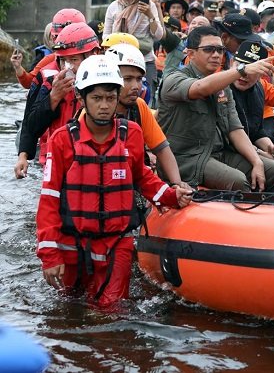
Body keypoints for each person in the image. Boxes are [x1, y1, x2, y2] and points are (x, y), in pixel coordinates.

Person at [35, 55, 192, 310]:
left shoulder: (131, 134)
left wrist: (171, 196)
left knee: (110, 311)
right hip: (71, 243)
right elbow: (49, 199)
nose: (105, 106)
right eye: (97, 98)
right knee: (68, 309)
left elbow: (143, 177)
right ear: (81, 98)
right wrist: (49, 255)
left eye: (110, 98)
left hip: (116, 242)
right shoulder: (62, 140)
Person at [157, 26, 274, 192]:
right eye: (209, 49)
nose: (216, 55)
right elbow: (200, 88)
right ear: (191, 54)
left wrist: (257, 161)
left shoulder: (223, 86)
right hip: (187, 158)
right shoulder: (173, 79)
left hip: (218, 153)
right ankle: (245, 217)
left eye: (220, 50)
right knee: (237, 181)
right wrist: (242, 70)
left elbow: (235, 128)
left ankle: (266, 216)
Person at [15, 23, 101, 179]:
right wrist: (53, 97)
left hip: (94, 164)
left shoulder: (108, 83)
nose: (67, 67)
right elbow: (31, 124)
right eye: (63, 61)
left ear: (93, 55)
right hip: (58, 162)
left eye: (74, 59)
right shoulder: (49, 80)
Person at [104, 43, 183, 184]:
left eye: (139, 79)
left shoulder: (139, 106)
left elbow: (162, 148)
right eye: (127, 79)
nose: (136, 86)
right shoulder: (91, 112)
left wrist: (178, 184)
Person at [103, 0, 164, 98]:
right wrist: (123, 41)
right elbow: (105, 37)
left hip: (145, 61)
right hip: (119, 62)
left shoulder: (150, 6)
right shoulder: (114, 7)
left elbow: (158, 35)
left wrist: (150, 15)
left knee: (145, 100)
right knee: (118, 98)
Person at [11, 8, 86, 89]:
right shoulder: (49, 60)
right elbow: (29, 82)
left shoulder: (95, 60)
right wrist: (18, 67)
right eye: (63, 60)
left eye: (74, 59)